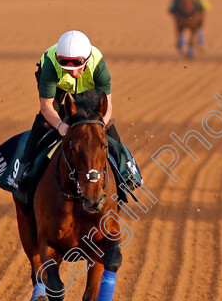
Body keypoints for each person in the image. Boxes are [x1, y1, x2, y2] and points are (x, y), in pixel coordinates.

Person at [17, 30, 139, 191]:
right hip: (58, 85)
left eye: (78, 67)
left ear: (87, 60)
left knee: (106, 129)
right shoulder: (50, 65)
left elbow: (107, 106)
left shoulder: (98, 65)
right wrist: (60, 125)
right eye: (67, 68)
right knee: (43, 123)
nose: (74, 73)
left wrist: (100, 125)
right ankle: (24, 169)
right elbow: (46, 106)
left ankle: (127, 170)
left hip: (88, 88)